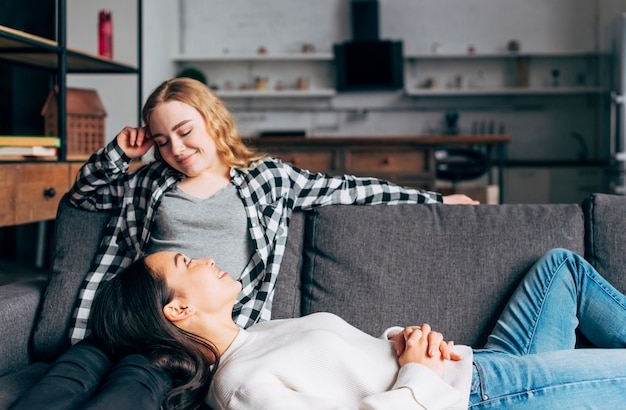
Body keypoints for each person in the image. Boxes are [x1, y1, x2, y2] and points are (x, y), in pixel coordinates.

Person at [68, 76, 475, 344]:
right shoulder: (149, 181)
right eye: (162, 140)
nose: (176, 148)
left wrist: (435, 200)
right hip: (143, 316)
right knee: (81, 369)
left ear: (212, 121)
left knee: (142, 379)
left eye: (185, 131)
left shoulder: (266, 178)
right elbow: (84, 198)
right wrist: (118, 154)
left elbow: (350, 191)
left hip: (212, 330)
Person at [70, 247, 625, 410]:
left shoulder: (261, 331)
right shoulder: (240, 388)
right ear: (177, 311)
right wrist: (419, 374)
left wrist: (404, 342)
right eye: (185, 265)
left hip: (473, 362)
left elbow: (350, 366)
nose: (204, 261)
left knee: (561, 267)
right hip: (484, 396)